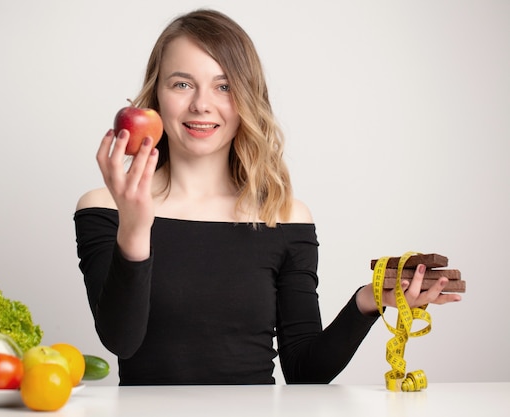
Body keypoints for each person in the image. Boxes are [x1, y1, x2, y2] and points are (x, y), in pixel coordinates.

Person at [74, 9, 461, 386]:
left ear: (246, 98)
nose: (201, 104)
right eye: (182, 84)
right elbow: (120, 341)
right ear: (156, 95)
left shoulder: (284, 216)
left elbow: (304, 370)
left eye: (223, 86)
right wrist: (136, 228)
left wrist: (369, 301)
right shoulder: (105, 209)